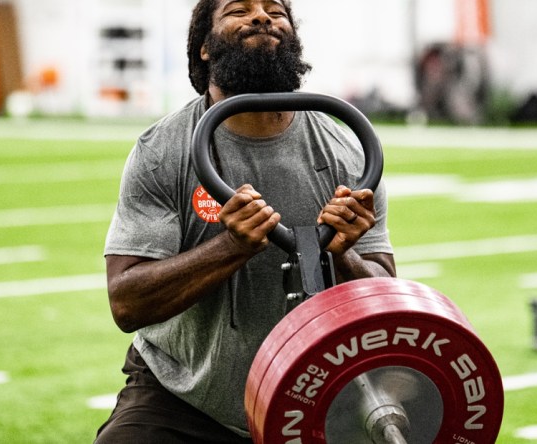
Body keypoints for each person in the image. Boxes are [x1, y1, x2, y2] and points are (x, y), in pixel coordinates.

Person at [94, 0, 395, 442]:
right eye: (239, 9)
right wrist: (230, 247)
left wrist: (345, 253)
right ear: (203, 48)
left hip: (312, 391)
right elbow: (127, 302)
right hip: (185, 395)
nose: (261, 17)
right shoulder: (162, 151)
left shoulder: (347, 151)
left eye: (275, 10)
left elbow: (387, 294)